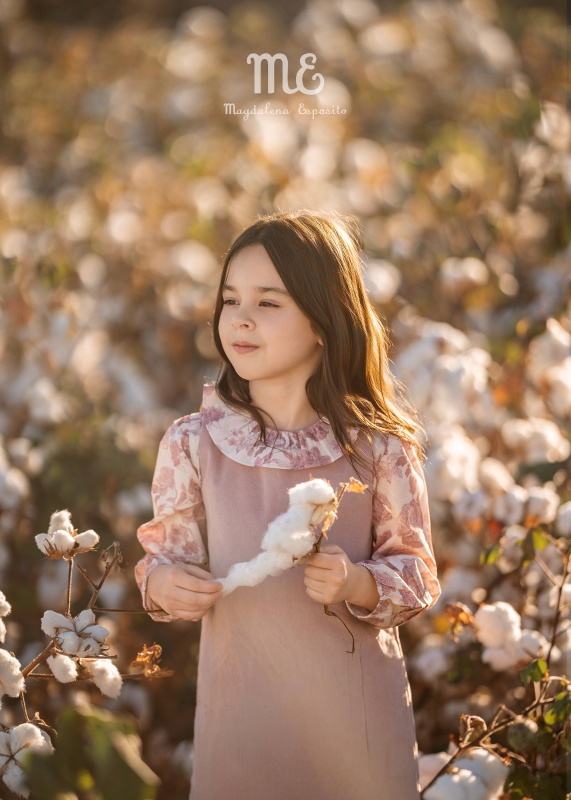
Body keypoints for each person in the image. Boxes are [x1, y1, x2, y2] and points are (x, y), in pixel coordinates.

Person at [135, 209, 441, 800]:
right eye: (230, 300)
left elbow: (417, 571)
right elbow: (161, 562)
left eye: (268, 303)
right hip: (242, 725)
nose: (241, 319)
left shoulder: (377, 446)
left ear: (325, 320)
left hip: (358, 731)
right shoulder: (194, 443)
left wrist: (357, 582)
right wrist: (167, 585)